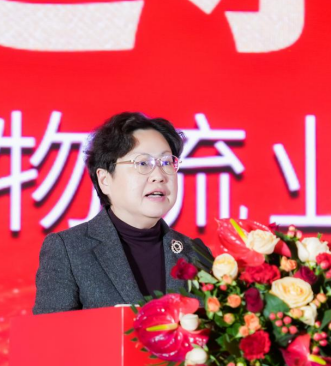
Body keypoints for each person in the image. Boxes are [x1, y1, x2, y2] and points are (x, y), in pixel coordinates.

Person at [33, 112, 211, 314]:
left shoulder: (196, 254)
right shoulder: (68, 250)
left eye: (166, 162)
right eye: (143, 163)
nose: (159, 176)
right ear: (105, 180)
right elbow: (50, 332)